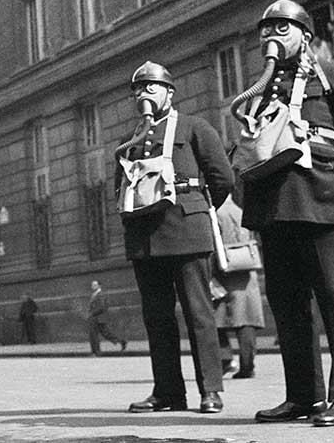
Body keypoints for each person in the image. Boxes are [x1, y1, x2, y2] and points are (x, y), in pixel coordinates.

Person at [239, 0, 334, 426]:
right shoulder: (260, 87)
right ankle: (303, 396)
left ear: (304, 34)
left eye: (282, 28)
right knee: (288, 303)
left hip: (324, 196)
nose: (271, 37)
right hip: (275, 206)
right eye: (266, 30)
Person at [115, 61, 233, 414]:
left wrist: (196, 210)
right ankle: (167, 391)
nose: (143, 95)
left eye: (150, 87)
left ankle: (210, 390)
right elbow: (118, 186)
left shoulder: (195, 128)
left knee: (199, 313)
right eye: (138, 89)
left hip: (186, 230)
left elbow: (223, 179)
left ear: (169, 92)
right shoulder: (129, 140)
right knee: (157, 317)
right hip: (145, 237)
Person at [211, 193, 264, 379]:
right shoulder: (241, 211)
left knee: (216, 320)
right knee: (246, 320)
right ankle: (247, 365)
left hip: (223, 271)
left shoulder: (215, 214)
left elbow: (211, 246)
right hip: (247, 272)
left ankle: (225, 360)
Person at [88, 280, 127, 355]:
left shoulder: (100, 294)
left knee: (94, 335)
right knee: (106, 334)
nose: (93, 286)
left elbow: (102, 307)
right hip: (96, 318)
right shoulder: (94, 294)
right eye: (92, 285)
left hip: (98, 318)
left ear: (99, 286)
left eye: (95, 285)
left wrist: (92, 314)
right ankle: (122, 341)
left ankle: (96, 352)